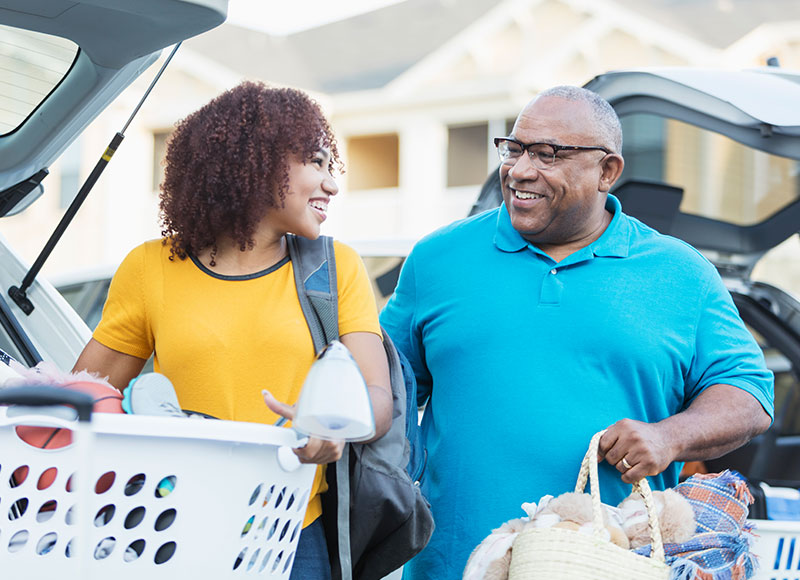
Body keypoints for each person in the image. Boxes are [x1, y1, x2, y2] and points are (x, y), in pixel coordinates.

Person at [379, 85, 774, 580]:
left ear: (607, 171)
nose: (520, 170)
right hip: (456, 565)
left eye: (548, 154)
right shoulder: (438, 260)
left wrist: (670, 436)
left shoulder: (680, 273)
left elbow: (749, 393)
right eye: (515, 149)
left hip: (608, 565)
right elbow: (382, 386)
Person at [72, 81, 392, 580]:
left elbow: (378, 398)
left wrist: (331, 427)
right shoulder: (150, 268)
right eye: (316, 161)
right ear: (255, 163)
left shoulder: (335, 268)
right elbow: (85, 397)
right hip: (167, 530)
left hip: (290, 535)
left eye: (332, 167)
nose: (332, 184)